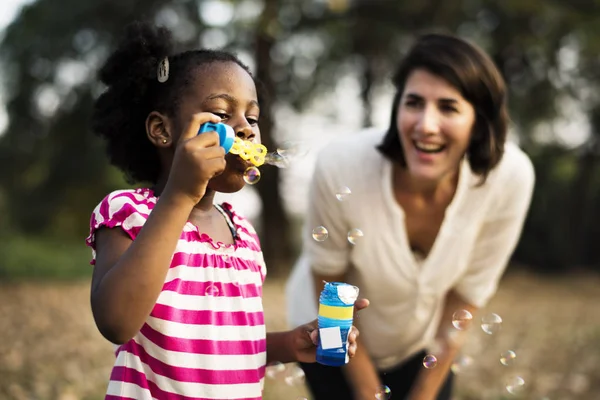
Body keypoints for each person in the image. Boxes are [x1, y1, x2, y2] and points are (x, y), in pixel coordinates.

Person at [85, 21, 368, 400]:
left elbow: (225, 346)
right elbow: (116, 322)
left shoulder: (244, 234)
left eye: (252, 118)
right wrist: (180, 196)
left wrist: (290, 344)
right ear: (161, 130)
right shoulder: (129, 212)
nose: (246, 129)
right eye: (221, 113)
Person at [286, 32, 535, 400]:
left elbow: (465, 298)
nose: (426, 125)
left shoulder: (510, 178)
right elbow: (331, 285)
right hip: (329, 337)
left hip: (420, 347)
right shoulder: (341, 165)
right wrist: (370, 392)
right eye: (414, 102)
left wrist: (424, 392)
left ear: (478, 124)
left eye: (448, 107)